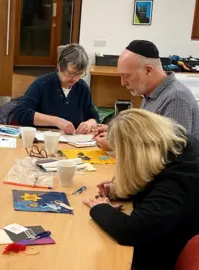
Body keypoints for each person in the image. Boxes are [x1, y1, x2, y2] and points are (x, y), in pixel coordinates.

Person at [83, 109, 199, 270]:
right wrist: (121, 189)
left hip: (168, 253)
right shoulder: (176, 145)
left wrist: (100, 208)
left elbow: (131, 230)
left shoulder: (179, 178)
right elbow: (153, 180)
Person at [95, 40, 199, 151]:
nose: (123, 82)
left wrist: (119, 146)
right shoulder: (150, 92)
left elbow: (172, 152)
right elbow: (148, 135)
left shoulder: (176, 98)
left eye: (127, 76)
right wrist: (117, 132)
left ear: (148, 70)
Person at [14, 44, 99, 134]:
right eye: (71, 73)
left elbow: (94, 117)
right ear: (59, 67)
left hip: (73, 143)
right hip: (43, 142)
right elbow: (21, 112)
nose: (75, 79)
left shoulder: (82, 88)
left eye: (80, 74)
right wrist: (56, 121)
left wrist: (89, 124)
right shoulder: (42, 84)